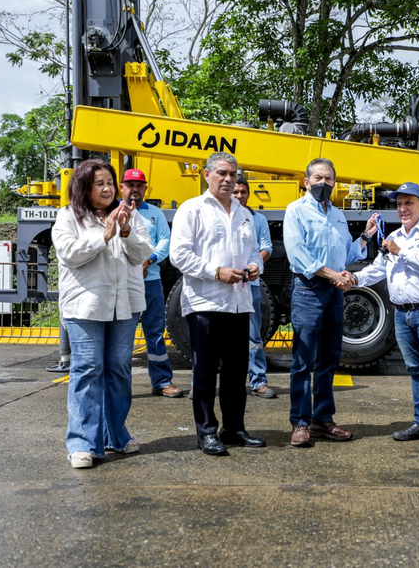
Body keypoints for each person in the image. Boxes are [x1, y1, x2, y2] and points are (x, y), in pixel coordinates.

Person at [51, 159, 153, 469]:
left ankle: (116, 436)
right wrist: (103, 236)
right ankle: (82, 443)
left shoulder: (130, 216)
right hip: (85, 306)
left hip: (124, 305)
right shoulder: (68, 217)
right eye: (100, 183)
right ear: (84, 187)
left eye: (110, 182)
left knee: (119, 369)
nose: (108, 188)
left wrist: (124, 231)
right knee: (88, 369)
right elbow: (69, 253)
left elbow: (143, 254)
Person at [170, 152, 265, 456]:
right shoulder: (192, 209)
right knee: (206, 371)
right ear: (206, 174)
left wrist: (254, 268)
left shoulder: (244, 212)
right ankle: (207, 432)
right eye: (222, 173)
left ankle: (234, 428)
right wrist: (216, 272)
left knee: (237, 372)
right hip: (205, 303)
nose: (228, 179)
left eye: (233, 174)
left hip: (239, 302)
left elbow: (252, 252)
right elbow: (179, 255)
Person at [351, 182, 419, 450]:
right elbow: (377, 270)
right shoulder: (396, 235)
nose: (403, 208)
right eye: (399, 204)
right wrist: (352, 278)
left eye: (409, 203)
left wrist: (400, 251)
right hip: (402, 313)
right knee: (416, 371)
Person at [282, 157, 377, 448]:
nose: (324, 183)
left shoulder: (337, 215)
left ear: (334, 183)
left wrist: (365, 236)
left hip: (335, 293)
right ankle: (300, 422)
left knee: (328, 360)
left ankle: (322, 420)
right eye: (318, 178)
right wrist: (334, 274)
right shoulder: (295, 211)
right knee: (303, 360)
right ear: (306, 181)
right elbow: (297, 254)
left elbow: (346, 255)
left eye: (329, 179)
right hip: (309, 290)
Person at [119, 168, 182, 398]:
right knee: (122, 335)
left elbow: (166, 240)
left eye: (139, 185)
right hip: (124, 282)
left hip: (151, 281)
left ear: (145, 188)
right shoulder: (114, 212)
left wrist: (150, 260)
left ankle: (162, 381)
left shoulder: (155, 213)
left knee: (154, 333)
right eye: (130, 184)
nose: (135, 189)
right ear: (122, 187)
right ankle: (120, 385)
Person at [232, 174, 276, 399]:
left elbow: (266, 247)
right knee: (217, 336)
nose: (239, 196)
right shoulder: (223, 217)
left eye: (243, 192)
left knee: (253, 335)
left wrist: (255, 265)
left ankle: (258, 381)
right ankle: (201, 383)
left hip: (251, 285)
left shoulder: (258, 219)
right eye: (236, 192)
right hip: (225, 286)